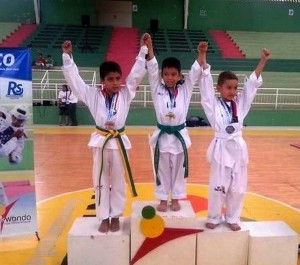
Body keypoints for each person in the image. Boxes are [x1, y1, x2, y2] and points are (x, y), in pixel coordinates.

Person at [61, 35, 148, 233]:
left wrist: (143, 51)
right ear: (102, 81)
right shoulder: (92, 95)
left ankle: (115, 215)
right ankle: (102, 216)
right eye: (111, 79)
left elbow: (135, 76)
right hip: (100, 142)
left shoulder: (126, 94)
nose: (116, 82)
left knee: (118, 180)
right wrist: (67, 58)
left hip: (118, 142)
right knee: (100, 180)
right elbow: (75, 82)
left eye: (118, 78)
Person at [198, 42, 270, 231]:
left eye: (235, 88)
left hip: (237, 149)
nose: (233, 91)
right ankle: (213, 217)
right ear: (219, 88)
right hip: (221, 149)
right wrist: (203, 55)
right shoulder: (212, 105)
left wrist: (262, 61)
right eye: (228, 87)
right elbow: (205, 90)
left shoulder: (241, 104)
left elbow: (252, 85)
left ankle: (232, 217)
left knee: (237, 188)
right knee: (217, 186)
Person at [143, 33, 203, 212]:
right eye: (166, 74)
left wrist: (201, 54)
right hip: (162, 136)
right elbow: (152, 70)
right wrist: (150, 48)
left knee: (179, 168)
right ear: (162, 75)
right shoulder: (157, 89)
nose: (169, 77)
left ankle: (176, 198)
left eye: (173, 74)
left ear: (179, 76)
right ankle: (162, 198)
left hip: (179, 136)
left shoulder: (185, 90)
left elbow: (194, 74)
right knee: (162, 169)